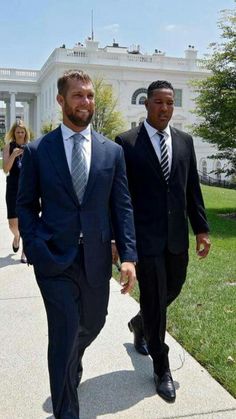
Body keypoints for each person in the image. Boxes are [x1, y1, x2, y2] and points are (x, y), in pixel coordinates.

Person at [17, 70, 137, 419]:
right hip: (54, 258)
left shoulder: (111, 152)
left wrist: (128, 255)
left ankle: (74, 357)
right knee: (64, 331)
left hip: (97, 257)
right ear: (61, 101)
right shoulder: (39, 151)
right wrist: (36, 243)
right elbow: (25, 204)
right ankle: (66, 410)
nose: (85, 102)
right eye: (77, 96)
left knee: (94, 322)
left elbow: (122, 205)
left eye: (89, 96)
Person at [115, 80, 211, 402]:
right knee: (156, 297)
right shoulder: (127, 143)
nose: (165, 108)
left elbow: (191, 188)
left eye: (170, 103)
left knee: (174, 287)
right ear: (146, 103)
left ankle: (141, 323)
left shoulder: (184, 141)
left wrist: (201, 229)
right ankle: (162, 365)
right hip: (145, 239)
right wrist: (121, 241)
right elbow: (121, 198)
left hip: (176, 238)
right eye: (158, 102)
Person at [3, 120, 30, 263]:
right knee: (13, 224)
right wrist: (13, 155)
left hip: (27, 188)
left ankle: (24, 252)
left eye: (22, 131)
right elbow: (5, 169)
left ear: (26, 133)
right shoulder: (8, 147)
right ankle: (16, 236)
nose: (20, 134)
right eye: (18, 132)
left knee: (26, 221)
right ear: (14, 132)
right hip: (13, 187)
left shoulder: (30, 148)